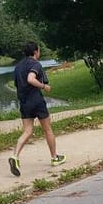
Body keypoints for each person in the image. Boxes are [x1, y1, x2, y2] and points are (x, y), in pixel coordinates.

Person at [9, 42, 66, 176]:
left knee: (28, 131)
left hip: (24, 102)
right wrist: (43, 87)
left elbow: (18, 84)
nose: (39, 53)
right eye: (38, 51)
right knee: (47, 129)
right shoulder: (35, 64)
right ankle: (54, 157)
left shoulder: (18, 67)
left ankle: (15, 156)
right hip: (36, 100)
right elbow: (30, 79)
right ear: (35, 52)